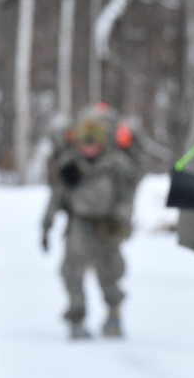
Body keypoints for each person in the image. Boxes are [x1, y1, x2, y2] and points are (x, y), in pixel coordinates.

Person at [40, 102, 142, 339]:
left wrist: (121, 217)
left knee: (111, 272)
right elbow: (57, 196)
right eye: (84, 144)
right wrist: (46, 226)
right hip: (79, 224)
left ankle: (114, 314)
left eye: (92, 144)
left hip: (108, 225)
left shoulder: (116, 164)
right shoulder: (71, 165)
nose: (88, 149)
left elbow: (127, 195)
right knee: (72, 272)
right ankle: (77, 318)